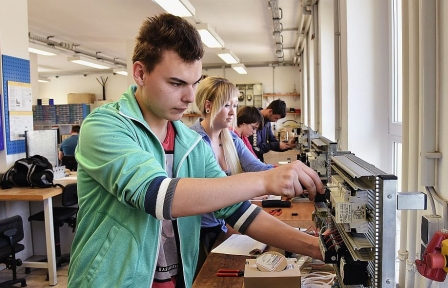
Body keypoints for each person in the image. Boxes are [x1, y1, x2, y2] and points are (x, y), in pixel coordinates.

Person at [67, 13, 324, 288]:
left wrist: (317, 247)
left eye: (194, 83)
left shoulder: (189, 144)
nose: (190, 96)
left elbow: (239, 211)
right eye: (176, 83)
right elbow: (158, 196)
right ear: (140, 73)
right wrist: (264, 179)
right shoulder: (104, 126)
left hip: (179, 280)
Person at [189, 76, 274, 254]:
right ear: (208, 106)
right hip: (197, 231)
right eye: (227, 105)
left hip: (224, 223)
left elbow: (257, 167)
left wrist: (288, 173)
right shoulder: (192, 142)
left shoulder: (232, 138)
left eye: (235, 105)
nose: (233, 112)